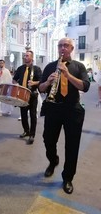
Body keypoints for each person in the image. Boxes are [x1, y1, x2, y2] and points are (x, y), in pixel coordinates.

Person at [39, 37, 90, 194]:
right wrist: (47, 82)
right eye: (60, 45)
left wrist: (68, 76)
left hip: (72, 110)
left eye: (66, 46)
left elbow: (85, 86)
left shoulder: (79, 66)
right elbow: (40, 89)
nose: (63, 48)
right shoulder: (49, 67)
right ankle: (53, 160)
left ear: (71, 49)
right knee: (48, 139)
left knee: (72, 146)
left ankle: (67, 178)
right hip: (53, 109)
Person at [13, 50, 42, 145]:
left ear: (32, 58)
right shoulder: (20, 68)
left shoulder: (37, 69)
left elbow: (42, 81)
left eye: (27, 56)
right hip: (22, 95)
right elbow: (14, 79)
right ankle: (26, 131)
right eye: (24, 56)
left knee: (33, 115)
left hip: (32, 95)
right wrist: (15, 84)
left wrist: (34, 83)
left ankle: (32, 135)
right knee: (23, 115)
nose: (25, 57)